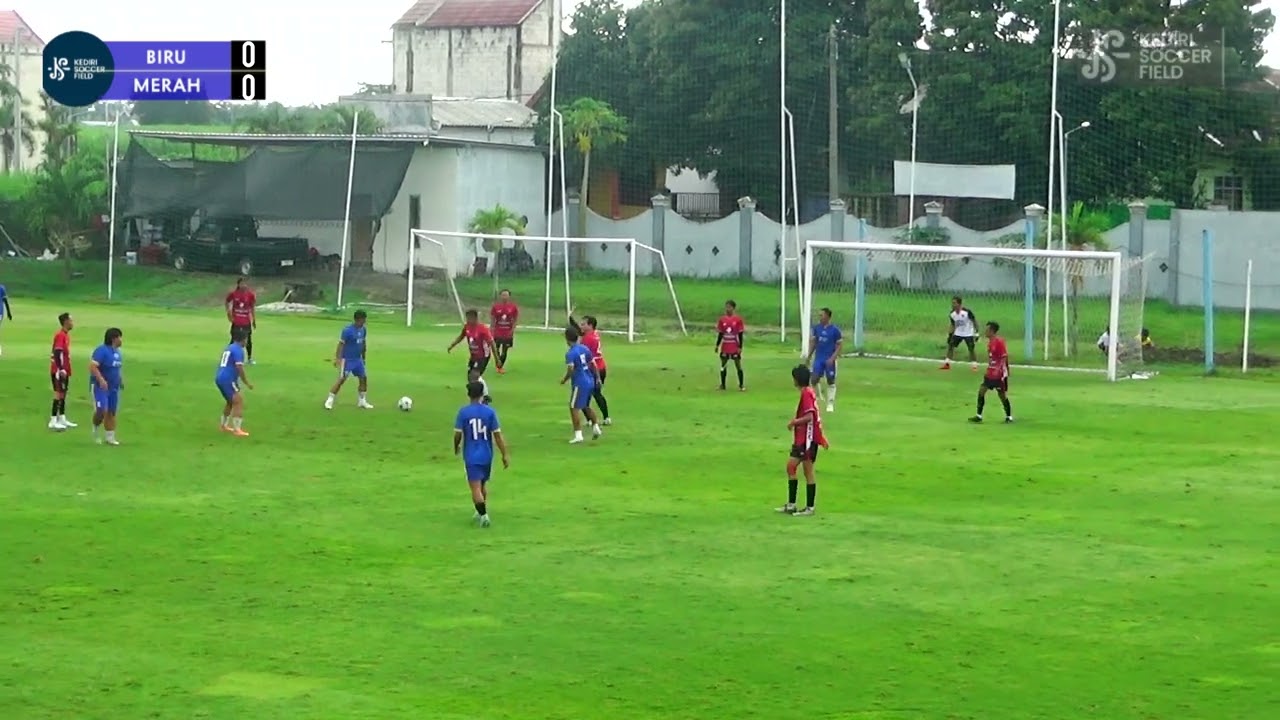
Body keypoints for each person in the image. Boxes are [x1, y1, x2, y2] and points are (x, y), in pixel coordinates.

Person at [454, 380, 510, 528]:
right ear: (482, 395)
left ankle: (484, 515)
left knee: (475, 488)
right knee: (482, 484)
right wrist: (504, 454)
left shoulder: (463, 412)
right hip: (487, 454)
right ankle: (479, 512)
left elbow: (458, 434)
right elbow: (497, 436)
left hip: (471, 455)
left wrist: (456, 446)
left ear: (469, 395)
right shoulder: (490, 412)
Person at [777, 364, 827, 516]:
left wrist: (794, 422)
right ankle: (792, 504)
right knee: (791, 467)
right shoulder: (808, 392)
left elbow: (810, 417)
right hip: (803, 439)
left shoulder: (806, 394)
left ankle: (809, 508)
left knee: (807, 471)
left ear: (797, 379)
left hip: (807, 439)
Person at [561, 327, 603, 444]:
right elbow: (593, 364)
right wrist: (598, 378)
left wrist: (564, 380)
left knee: (573, 407)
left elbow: (571, 369)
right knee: (585, 405)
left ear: (567, 339)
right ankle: (596, 427)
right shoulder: (584, 348)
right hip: (590, 380)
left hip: (580, 383)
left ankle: (578, 435)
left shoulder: (570, 353)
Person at [568, 311, 611, 425]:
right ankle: (605, 417)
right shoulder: (594, 334)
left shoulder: (588, 339)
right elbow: (579, 331)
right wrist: (571, 319)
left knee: (585, 395)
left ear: (590, 325)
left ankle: (591, 420)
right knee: (596, 394)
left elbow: (583, 354)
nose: (581, 326)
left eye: (583, 324)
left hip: (594, 369)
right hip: (601, 367)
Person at [326, 310, 372, 410]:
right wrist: (338, 359)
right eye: (364, 319)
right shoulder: (347, 331)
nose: (365, 321)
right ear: (359, 319)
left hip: (358, 360)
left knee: (363, 378)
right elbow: (340, 345)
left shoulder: (363, 330)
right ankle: (330, 400)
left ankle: (362, 401)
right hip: (347, 360)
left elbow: (363, 343)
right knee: (341, 379)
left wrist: (363, 357)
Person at [970, 321, 1013, 424]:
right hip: (990, 372)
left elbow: (1004, 357)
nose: (985, 331)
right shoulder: (990, 342)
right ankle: (979, 416)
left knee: (1002, 395)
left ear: (992, 331)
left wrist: (1002, 371)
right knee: (981, 391)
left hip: (998, 373)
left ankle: (1009, 416)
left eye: (987, 330)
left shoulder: (999, 342)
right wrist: (990, 368)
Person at [89, 327, 124, 445]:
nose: (121, 340)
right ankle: (95, 428)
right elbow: (92, 366)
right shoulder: (101, 351)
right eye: (120, 337)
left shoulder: (117, 353)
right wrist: (101, 380)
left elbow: (116, 368)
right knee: (102, 410)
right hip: (100, 387)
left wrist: (120, 380)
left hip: (113, 388)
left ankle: (110, 437)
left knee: (111, 412)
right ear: (114, 338)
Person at [216, 328, 254, 436]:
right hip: (228, 379)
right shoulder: (238, 350)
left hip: (220, 377)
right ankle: (237, 430)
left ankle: (223, 426)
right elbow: (239, 367)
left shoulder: (229, 348)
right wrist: (246, 382)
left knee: (230, 401)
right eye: (246, 339)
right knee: (238, 400)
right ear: (243, 339)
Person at [806, 307, 843, 413]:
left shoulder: (835, 330)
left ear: (827, 316)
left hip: (829, 359)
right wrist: (809, 356)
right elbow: (814, 343)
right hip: (819, 358)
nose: (820, 317)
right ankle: (818, 397)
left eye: (821, 315)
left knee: (830, 380)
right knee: (814, 379)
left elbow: (839, 346)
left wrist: (832, 358)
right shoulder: (817, 328)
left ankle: (830, 403)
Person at [48, 312, 78, 430]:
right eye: (71, 320)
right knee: (58, 393)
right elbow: (57, 352)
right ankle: (53, 420)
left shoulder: (65, 335)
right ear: (66, 322)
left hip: (64, 369)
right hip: (59, 370)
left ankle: (62, 418)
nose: (72, 323)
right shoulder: (60, 335)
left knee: (63, 393)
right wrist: (60, 369)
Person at [448, 309, 495, 378]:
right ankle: (479, 384)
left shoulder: (483, 329)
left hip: (483, 356)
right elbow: (461, 336)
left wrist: (497, 360)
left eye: (469, 318)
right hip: (473, 356)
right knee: (470, 376)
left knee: (474, 376)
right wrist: (452, 345)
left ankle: (480, 384)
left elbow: (492, 343)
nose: (467, 320)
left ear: (475, 318)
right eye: (467, 318)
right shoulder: (467, 326)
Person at [941, 295, 978, 371]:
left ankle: (974, 365)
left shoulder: (967, 312)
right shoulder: (952, 314)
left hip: (968, 333)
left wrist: (976, 332)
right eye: (952, 303)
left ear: (959, 304)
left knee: (971, 349)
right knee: (951, 346)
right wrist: (950, 334)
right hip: (958, 333)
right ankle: (947, 363)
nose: (953, 305)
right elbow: (953, 324)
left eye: (954, 303)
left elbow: (974, 321)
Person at [716, 300, 746, 391]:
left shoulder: (738, 320)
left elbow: (740, 334)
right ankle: (723, 385)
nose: (727, 309)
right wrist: (717, 345)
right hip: (725, 346)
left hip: (734, 346)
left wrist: (740, 347)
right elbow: (721, 333)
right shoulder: (722, 320)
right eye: (726, 307)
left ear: (733, 308)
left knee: (738, 365)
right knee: (723, 365)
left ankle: (741, 385)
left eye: (729, 307)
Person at [225, 277, 257, 364]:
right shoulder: (234, 294)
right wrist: (228, 313)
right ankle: (227, 357)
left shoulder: (250, 295)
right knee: (233, 340)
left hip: (246, 322)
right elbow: (227, 301)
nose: (244, 285)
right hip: (236, 322)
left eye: (245, 283)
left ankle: (249, 358)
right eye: (242, 283)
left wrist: (254, 319)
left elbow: (252, 307)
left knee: (248, 340)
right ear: (238, 284)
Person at [490, 289, 519, 374]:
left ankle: (500, 366)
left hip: (508, 333)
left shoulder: (513, 307)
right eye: (503, 295)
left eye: (506, 295)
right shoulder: (496, 307)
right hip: (497, 332)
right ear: (500, 296)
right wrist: (491, 329)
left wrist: (513, 329)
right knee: (496, 349)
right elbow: (493, 319)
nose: (504, 297)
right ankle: (498, 365)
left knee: (504, 350)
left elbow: (515, 319)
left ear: (509, 296)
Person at [0, 281, 10, 356]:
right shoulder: (2, 288)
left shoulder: (1, 288)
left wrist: (9, 312)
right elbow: (5, 301)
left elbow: (5, 301)